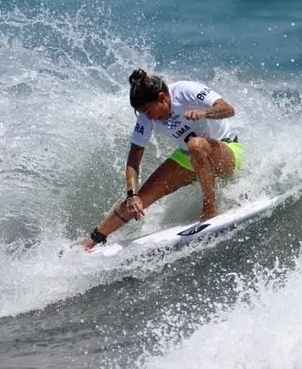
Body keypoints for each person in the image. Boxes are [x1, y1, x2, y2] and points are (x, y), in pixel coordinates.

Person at [84, 68, 244, 250]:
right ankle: (92, 241)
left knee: (196, 144)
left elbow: (228, 109)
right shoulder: (146, 117)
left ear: (162, 98)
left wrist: (205, 113)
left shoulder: (186, 90)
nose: (147, 117)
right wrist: (132, 194)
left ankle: (209, 210)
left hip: (226, 151)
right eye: (142, 113)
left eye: (148, 111)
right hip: (189, 156)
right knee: (139, 200)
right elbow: (133, 161)